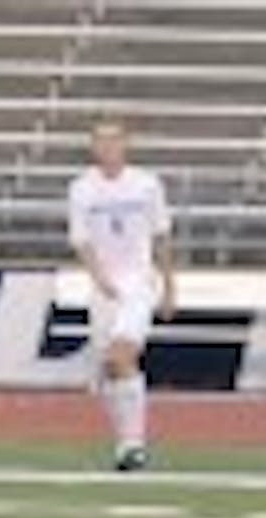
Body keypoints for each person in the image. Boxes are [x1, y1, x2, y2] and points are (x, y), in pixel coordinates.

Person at [68, 118, 176, 471]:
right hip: (105, 289)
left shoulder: (146, 185)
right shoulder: (82, 188)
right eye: (101, 140)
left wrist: (169, 286)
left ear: (126, 144)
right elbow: (81, 240)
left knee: (120, 357)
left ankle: (133, 444)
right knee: (109, 370)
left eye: (114, 140)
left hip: (138, 284)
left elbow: (161, 235)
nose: (108, 147)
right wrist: (98, 277)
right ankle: (124, 443)